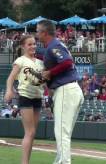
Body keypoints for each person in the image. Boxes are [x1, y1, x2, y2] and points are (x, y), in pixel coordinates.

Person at [37, 20, 84, 164]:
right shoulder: (51, 47)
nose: (36, 34)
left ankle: (64, 162)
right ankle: (60, 160)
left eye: (38, 31)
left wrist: (50, 73)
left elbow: (67, 62)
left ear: (45, 33)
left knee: (61, 132)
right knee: (64, 132)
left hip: (66, 90)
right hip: (71, 89)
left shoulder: (54, 45)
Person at [4, 35, 45, 164]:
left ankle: (27, 161)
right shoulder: (20, 60)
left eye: (34, 44)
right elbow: (10, 78)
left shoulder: (40, 62)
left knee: (32, 134)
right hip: (25, 96)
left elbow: (43, 81)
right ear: (23, 46)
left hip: (37, 97)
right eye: (29, 44)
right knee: (30, 132)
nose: (33, 46)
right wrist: (9, 90)